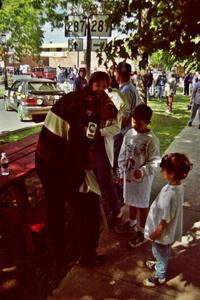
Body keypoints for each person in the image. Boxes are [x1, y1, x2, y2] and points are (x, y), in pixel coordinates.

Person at [35, 71, 111, 266]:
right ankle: (87, 255)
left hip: (44, 161)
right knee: (90, 208)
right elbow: (78, 147)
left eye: (105, 87)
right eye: (99, 86)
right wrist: (81, 173)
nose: (103, 90)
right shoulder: (90, 111)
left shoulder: (73, 96)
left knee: (55, 207)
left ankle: (57, 253)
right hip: (60, 165)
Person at [143, 153, 192, 287]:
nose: (161, 171)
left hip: (163, 232)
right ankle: (159, 264)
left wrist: (156, 233)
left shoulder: (171, 194)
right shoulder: (177, 186)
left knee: (159, 251)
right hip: (165, 231)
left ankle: (160, 276)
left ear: (171, 173)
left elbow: (165, 219)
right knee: (161, 251)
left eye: (163, 169)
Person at [115, 104, 160, 249]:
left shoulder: (151, 140)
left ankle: (142, 231)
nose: (135, 126)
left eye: (139, 124)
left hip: (142, 180)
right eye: (133, 122)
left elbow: (155, 161)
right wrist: (121, 171)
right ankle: (132, 223)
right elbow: (123, 153)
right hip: (129, 176)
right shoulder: (129, 134)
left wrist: (143, 170)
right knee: (131, 200)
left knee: (142, 204)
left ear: (148, 123)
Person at [113, 62, 140, 175]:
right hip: (126, 131)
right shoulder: (128, 87)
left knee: (119, 161)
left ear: (118, 74)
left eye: (115, 73)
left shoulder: (126, 91)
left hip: (123, 132)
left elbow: (125, 115)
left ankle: (119, 185)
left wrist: (115, 129)